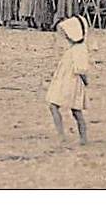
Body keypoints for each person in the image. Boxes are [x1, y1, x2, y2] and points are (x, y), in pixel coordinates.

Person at [46, 15, 91, 146]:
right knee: (61, 107)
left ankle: (79, 137)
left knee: (74, 110)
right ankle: (67, 136)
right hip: (65, 80)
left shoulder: (79, 49)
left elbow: (81, 69)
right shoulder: (75, 48)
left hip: (72, 82)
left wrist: (85, 82)